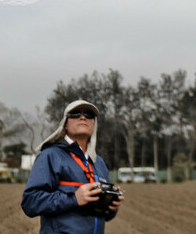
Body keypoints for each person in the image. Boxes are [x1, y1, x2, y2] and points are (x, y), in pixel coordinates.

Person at [22, 99, 124, 233]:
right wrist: (73, 199)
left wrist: (111, 207)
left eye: (89, 115)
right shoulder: (50, 155)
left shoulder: (99, 162)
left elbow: (102, 217)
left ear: (94, 124)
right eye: (75, 113)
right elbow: (30, 202)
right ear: (65, 124)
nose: (82, 117)